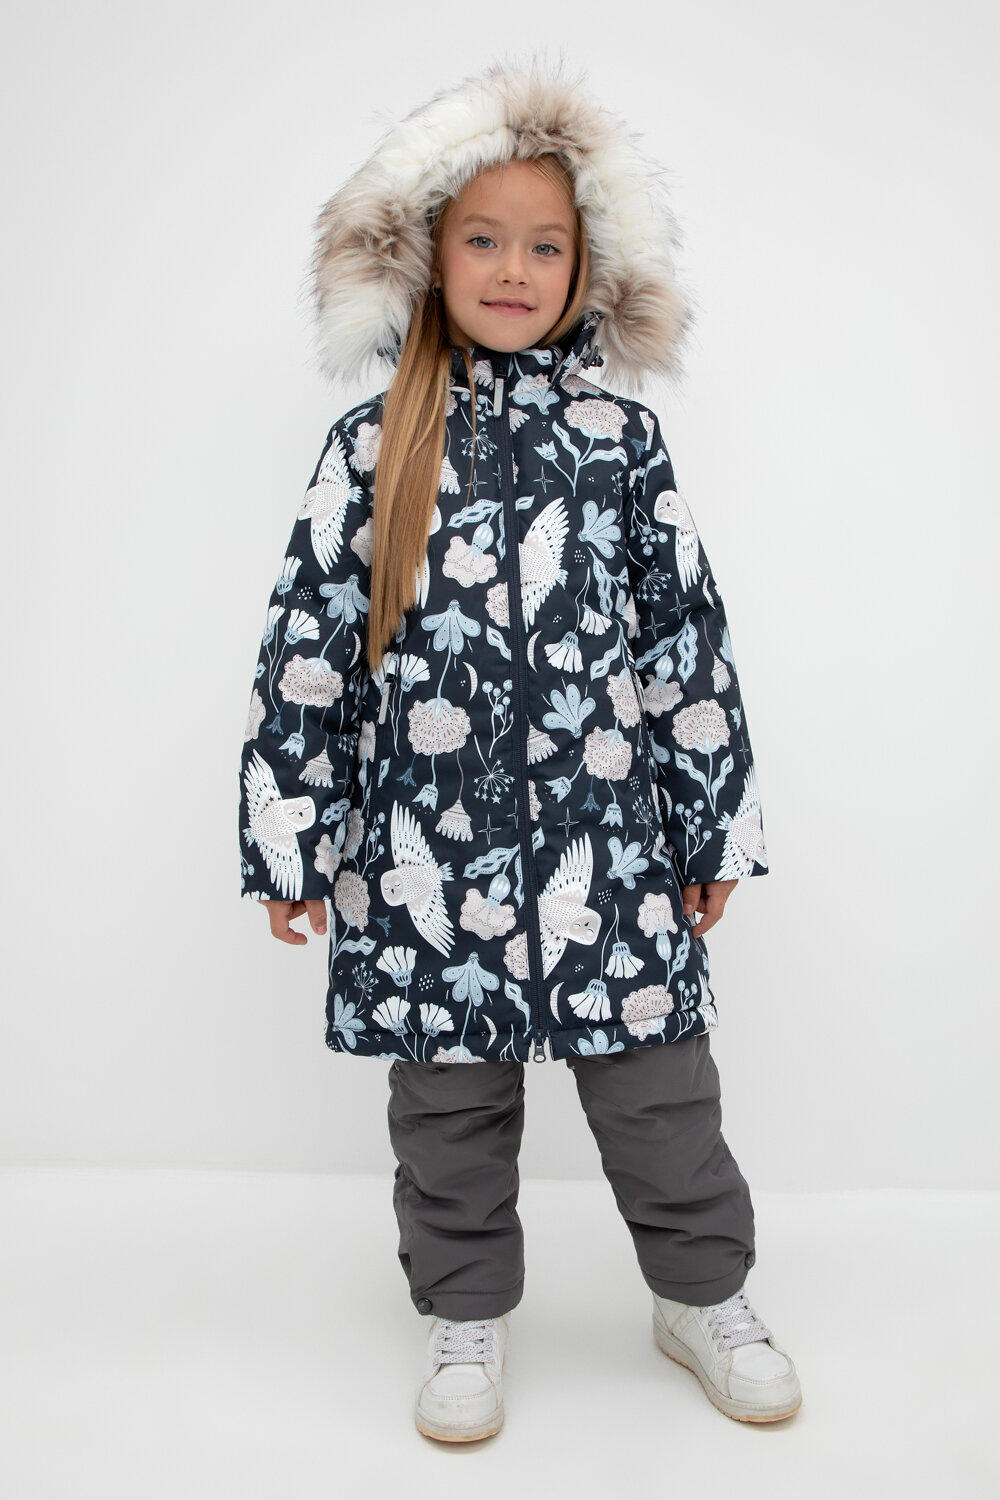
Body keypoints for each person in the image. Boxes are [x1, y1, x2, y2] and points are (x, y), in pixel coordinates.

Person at [237, 59, 801, 1442]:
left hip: (611, 859)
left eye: (545, 246)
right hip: (426, 858)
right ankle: (464, 1312)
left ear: (587, 266)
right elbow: (309, 653)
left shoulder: (621, 445)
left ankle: (703, 1296)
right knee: (447, 1117)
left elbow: (684, 647)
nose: (512, 268)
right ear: (426, 257)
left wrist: (711, 825)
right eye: (482, 238)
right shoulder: (372, 447)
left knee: (664, 1095)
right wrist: (290, 837)